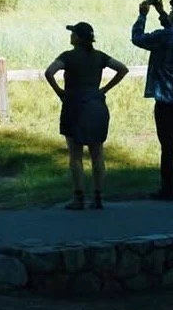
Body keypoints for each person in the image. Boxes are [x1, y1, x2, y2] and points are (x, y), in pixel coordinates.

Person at [44, 22, 129, 210]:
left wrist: (59, 91)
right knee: (97, 153)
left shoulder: (67, 56)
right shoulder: (99, 56)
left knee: (75, 155)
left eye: (73, 33)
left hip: (74, 105)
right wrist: (104, 89)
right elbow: (122, 68)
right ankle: (98, 196)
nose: (71, 35)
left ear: (78, 38)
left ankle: (79, 197)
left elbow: (49, 72)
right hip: (96, 105)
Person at [131, 0, 173, 201]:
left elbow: (138, 38)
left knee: (168, 144)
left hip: (166, 98)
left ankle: (168, 189)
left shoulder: (163, 37)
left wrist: (142, 15)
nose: (169, 14)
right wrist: (161, 12)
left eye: (172, 12)